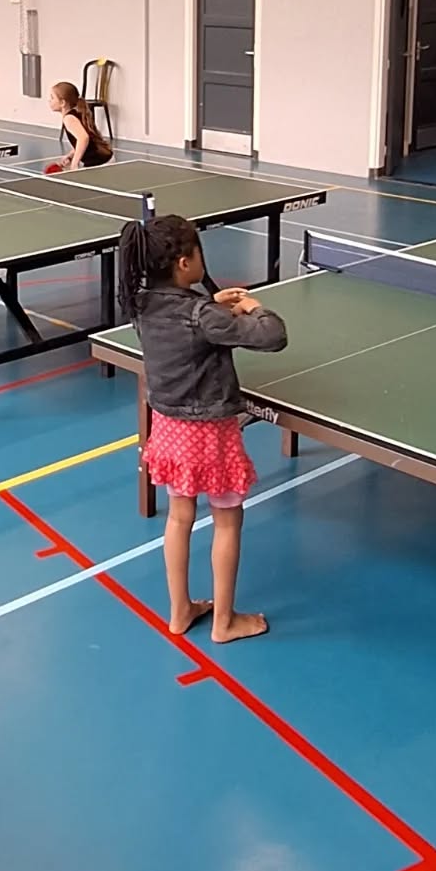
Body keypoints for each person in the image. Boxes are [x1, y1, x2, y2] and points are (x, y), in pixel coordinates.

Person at [118, 214, 287, 644]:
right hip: (209, 432)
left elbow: (192, 321)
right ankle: (225, 621)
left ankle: (179, 611)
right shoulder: (201, 315)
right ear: (182, 264)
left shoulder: (141, 303)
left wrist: (213, 300)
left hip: (169, 427)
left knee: (179, 517)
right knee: (228, 521)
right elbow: (272, 336)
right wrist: (252, 307)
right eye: (198, 255)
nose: (202, 261)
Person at [49, 81, 112, 169]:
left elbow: (84, 138)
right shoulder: (75, 114)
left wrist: (75, 162)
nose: (49, 101)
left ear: (62, 103)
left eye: (52, 98)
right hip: (102, 160)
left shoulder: (69, 118)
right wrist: (70, 155)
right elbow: (83, 141)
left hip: (99, 163)